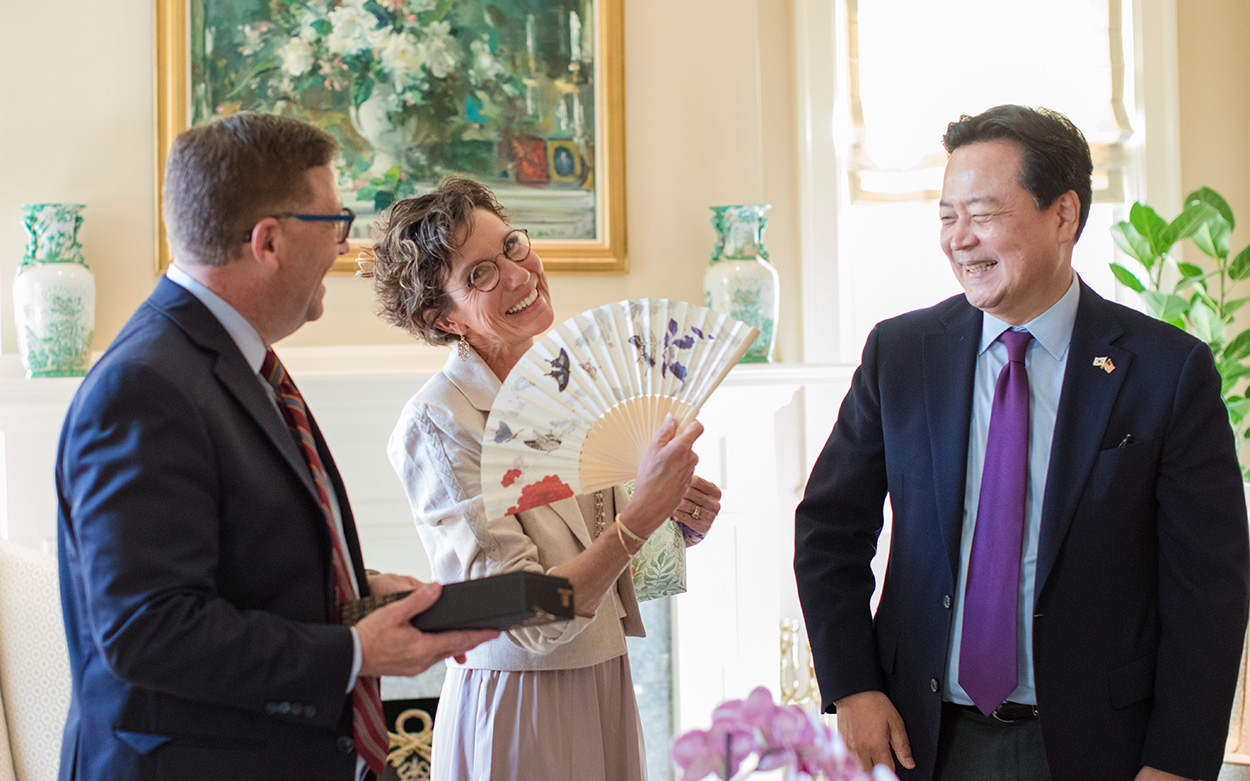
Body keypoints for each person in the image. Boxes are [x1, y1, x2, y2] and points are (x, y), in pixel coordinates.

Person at [794, 104, 1250, 781]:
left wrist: (1179, 760)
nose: (960, 240)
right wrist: (853, 685)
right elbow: (830, 528)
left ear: (1063, 215)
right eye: (947, 218)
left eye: (983, 214)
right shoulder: (902, 354)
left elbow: (1207, 590)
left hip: (1099, 747)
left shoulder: (1166, 370)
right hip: (926, 739)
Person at [55, 112, 498, 781]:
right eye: (334, 224)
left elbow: (235, 561)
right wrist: (353, 651)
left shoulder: (233, 361)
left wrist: (353, 586)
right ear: (268, 242)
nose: (346, 248)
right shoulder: (144, 386)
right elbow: (148, 630)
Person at [363, 177, 721, 780]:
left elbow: (607, 552)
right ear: (442, 319)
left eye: (512, 246)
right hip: (521, 700)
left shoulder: (572, 383)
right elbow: (521, 614)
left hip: (605, 679)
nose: (518, 273)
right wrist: (640, 519)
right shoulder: (438, 423)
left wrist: (670, 519)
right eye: (479, 274)